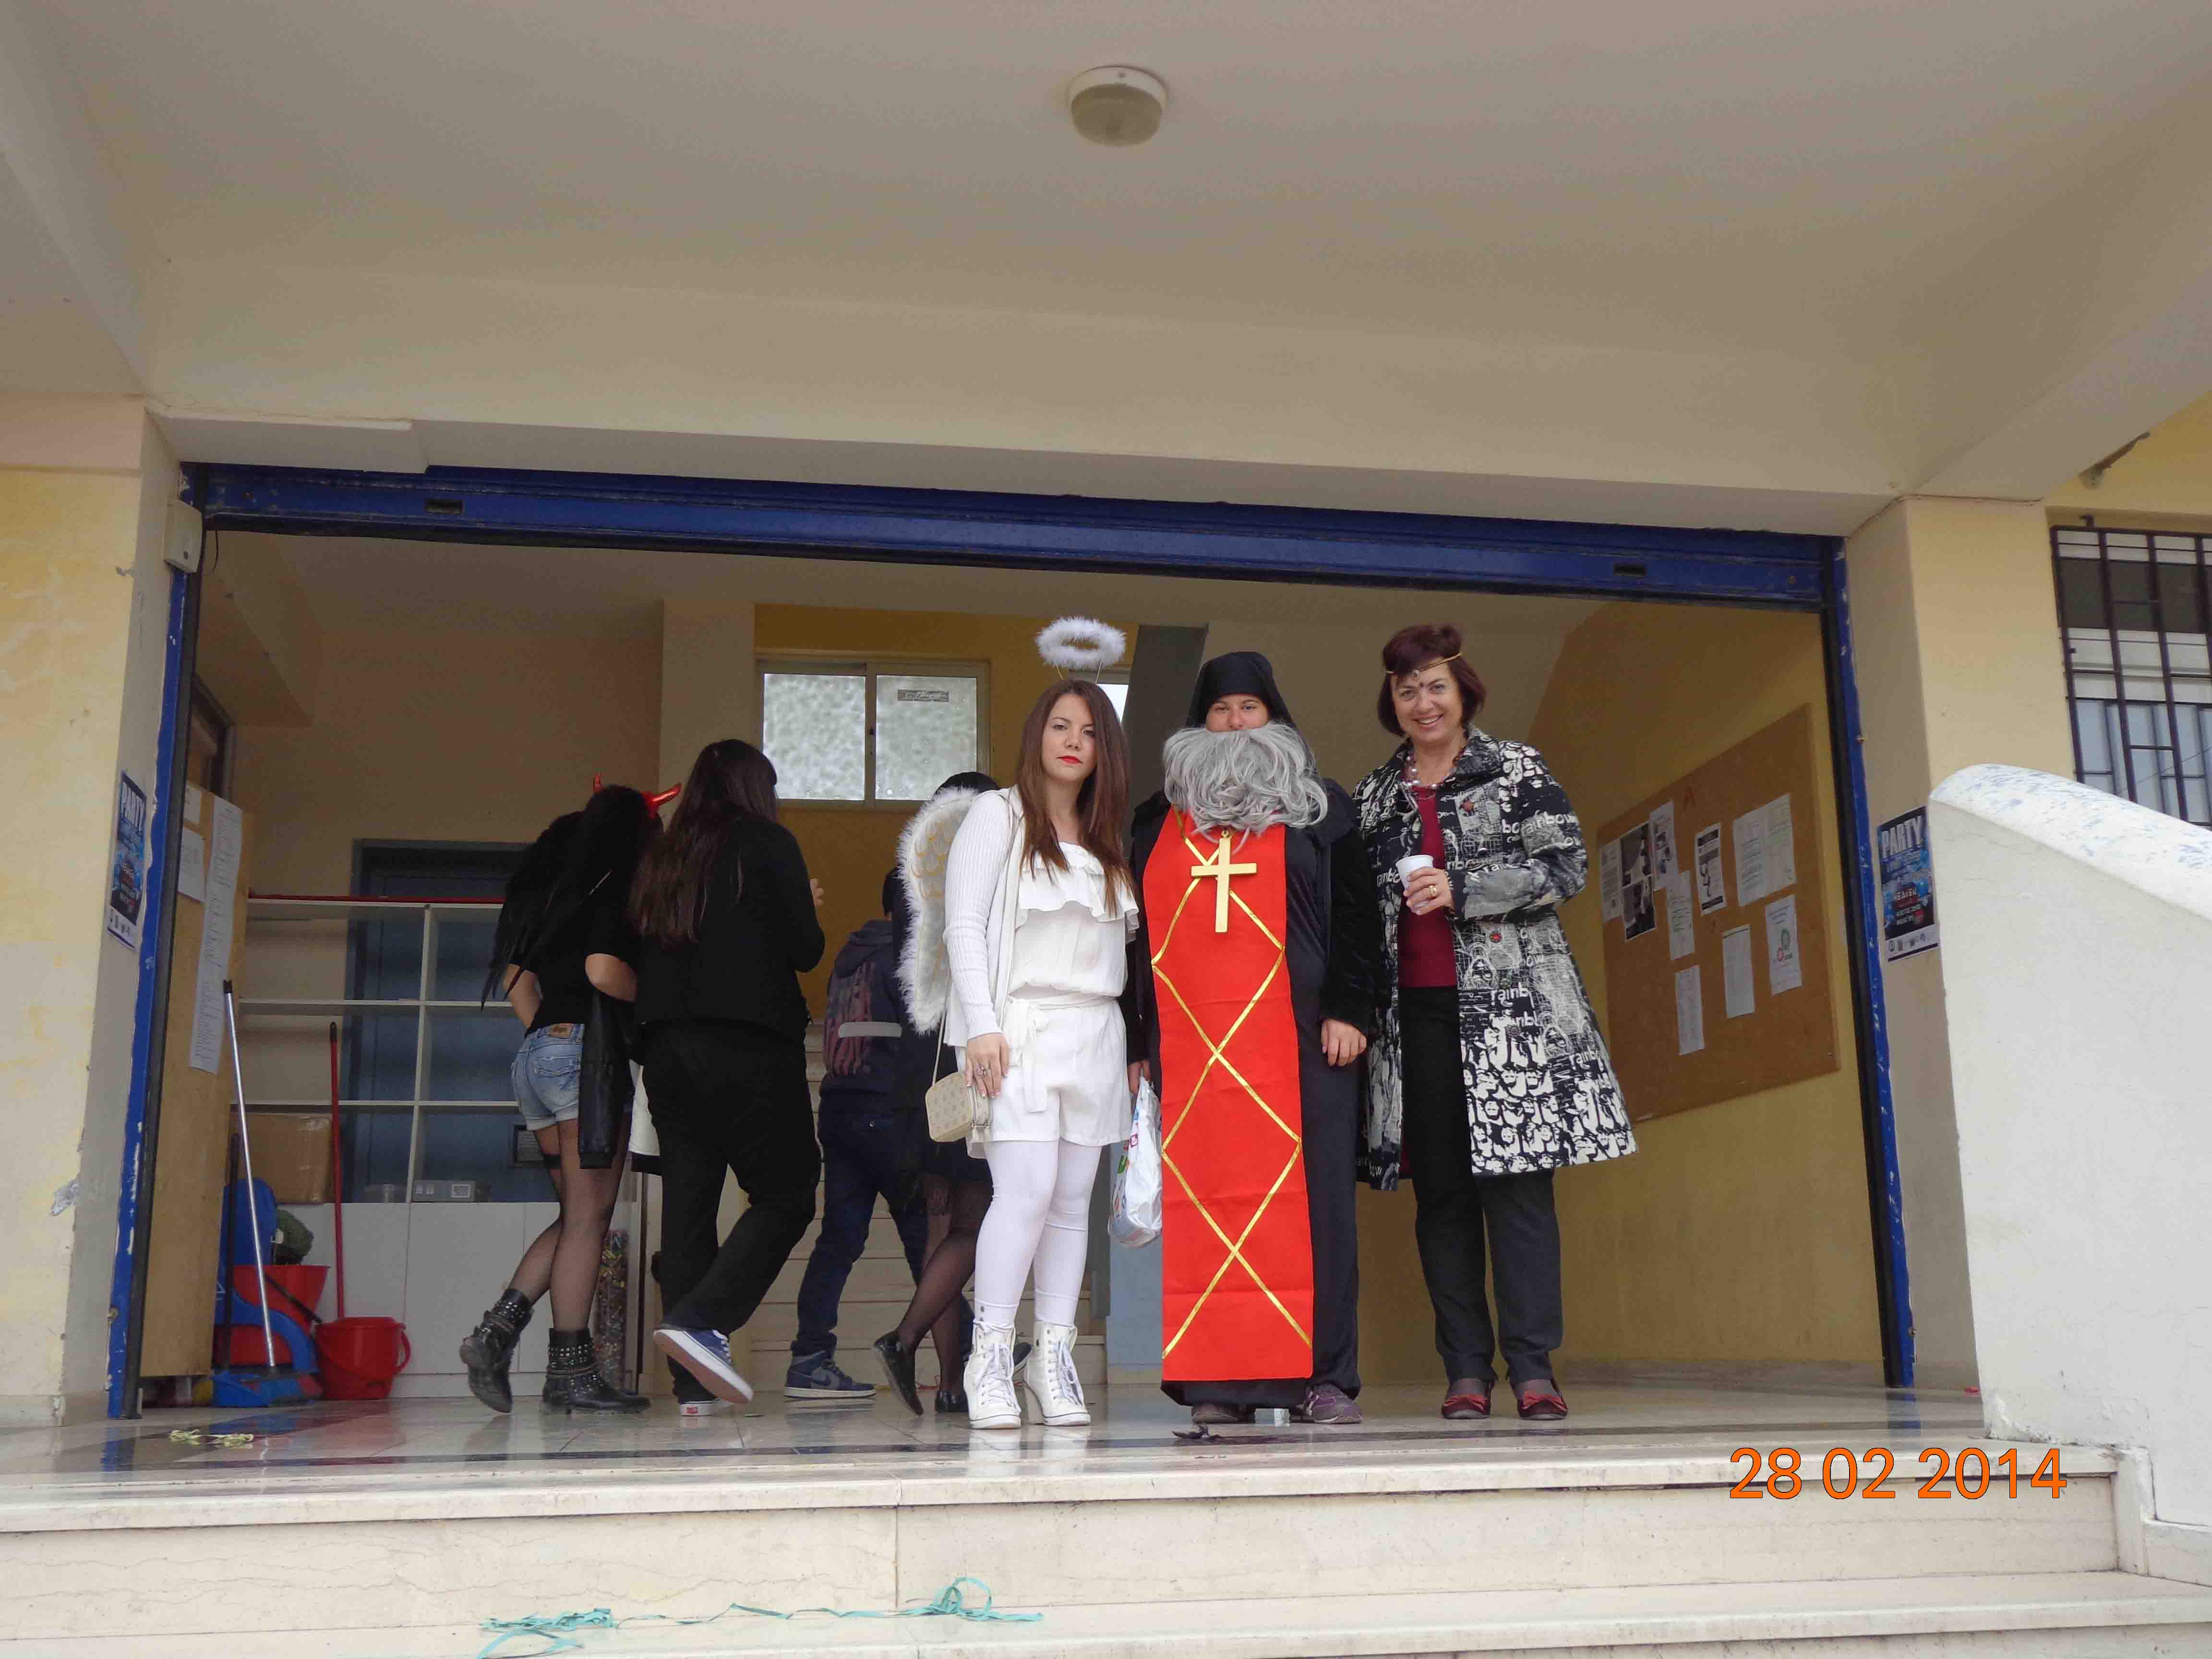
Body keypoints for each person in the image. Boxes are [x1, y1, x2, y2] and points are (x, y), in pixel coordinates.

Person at [1354, 624, 1636, 1422]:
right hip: (1414, 1019)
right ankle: (1466, 1372)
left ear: (1463, 693)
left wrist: (1465, 888)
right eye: (1407, 690)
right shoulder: (1374, 796)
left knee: (1518, 1189)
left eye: (1435, 687)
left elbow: (1565, 866)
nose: (1423, 703)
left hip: (1514, 1015)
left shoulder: (1514, 768)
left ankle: (1534, 1367)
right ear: (1393, 703)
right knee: (1441, 1197)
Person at [1124, 653, 1386, 1427]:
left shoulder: (1320, 808)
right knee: (1209, 1207)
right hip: (1195, 1052)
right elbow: (1133, 943)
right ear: (1197, 726)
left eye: (1249, 708)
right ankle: (1220, 1378)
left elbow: (1359, 916)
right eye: (1220, 710)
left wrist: (1350, 1009)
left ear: (1274, 718)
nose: (1235, 723)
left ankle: (1323, 1377)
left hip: (1307, 1045)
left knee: (1317, 1207)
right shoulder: (1156, 821)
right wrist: (1137, 1040)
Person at [911, 682, 1141, 1429]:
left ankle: (1052, 1356)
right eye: (1060, 726)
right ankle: (989, 1354)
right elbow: (963, 926)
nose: (1073, 742)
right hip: (1017, 1027)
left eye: (1090, 731)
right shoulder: (998, 814)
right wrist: (981, 1025)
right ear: (1037, 733)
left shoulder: (1107, 835)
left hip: (1095, 1029)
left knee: (1073, 1203)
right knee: (1026, 1192)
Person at [637, 739, 827, 1406]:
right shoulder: (768, 842)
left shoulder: (665, 854)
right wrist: (805, 902)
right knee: (788, 1192)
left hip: (666, 1050)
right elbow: (806, 948)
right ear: (757, 790)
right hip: (748, 1042)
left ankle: (692, 1385)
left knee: (688, 1209)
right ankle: (700, 1321)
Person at [461, 786, 658, 1413]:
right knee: (590, 1219)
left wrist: (552, 1042)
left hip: (537, 1056)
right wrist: (656, 998)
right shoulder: (614, 887)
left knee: (577, 1214)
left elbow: (519, 987)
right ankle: (570, 1371)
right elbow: (603, 971)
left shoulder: (554, 899)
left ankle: (497, 1333)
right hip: (585, 1062)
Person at [871, 772, 1025, 1417]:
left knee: (943, 1226)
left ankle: (951, 1381)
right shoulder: (987, 882)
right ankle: (908, 1341)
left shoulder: (909, 883)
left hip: (919, 1075)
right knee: (973, 1224)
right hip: (968, 1063)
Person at [782, 895, 926, 1401]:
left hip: (839, 1111)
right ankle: (970, 1351)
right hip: (888, 1114)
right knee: (926, 1238)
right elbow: (921, 1039)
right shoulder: (904, 957)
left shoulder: (851, 958)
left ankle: (809, 1359)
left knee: (839, 1241)